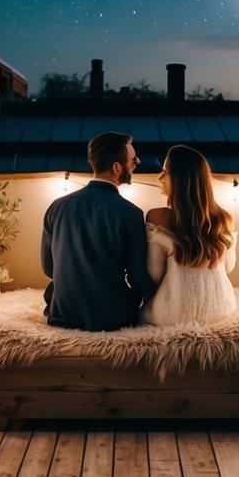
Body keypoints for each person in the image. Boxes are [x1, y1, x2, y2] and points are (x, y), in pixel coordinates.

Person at [42, 131, 159, 331]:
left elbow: (49, 268)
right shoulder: (131, 214)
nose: (137, 162)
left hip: (63, 314)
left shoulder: (56, 206)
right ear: (116, 167)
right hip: (111, 319)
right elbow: (138, 279)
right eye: (133, 159)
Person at [142, 145, 238, 326]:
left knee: (143, 309)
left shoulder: (157, 216)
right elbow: (228, 268)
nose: (159, 177)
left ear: (181, 179)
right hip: (221, 310)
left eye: (165, 172)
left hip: (173, 316)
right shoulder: (226, 218)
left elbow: (154, 274)